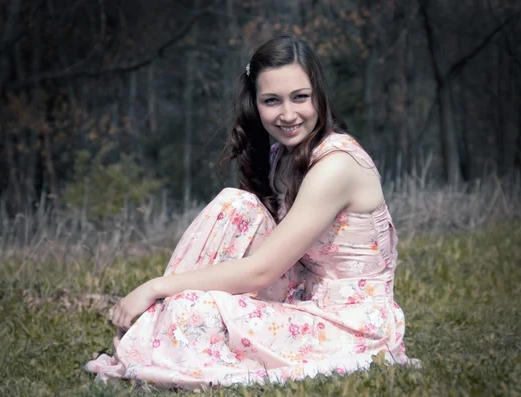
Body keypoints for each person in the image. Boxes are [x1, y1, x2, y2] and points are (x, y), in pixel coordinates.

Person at [85, 35, 419, 388]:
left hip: (350, 323)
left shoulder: (337, 165)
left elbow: (262, 271)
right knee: (237, 205)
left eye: (300, 97)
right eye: (272, 101)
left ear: (319, 95)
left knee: (190, 313)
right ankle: (163, 323)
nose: (288, 114)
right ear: (255, 104)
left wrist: (155, 287)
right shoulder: (283, 156)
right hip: (303, 297)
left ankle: (163, 321)